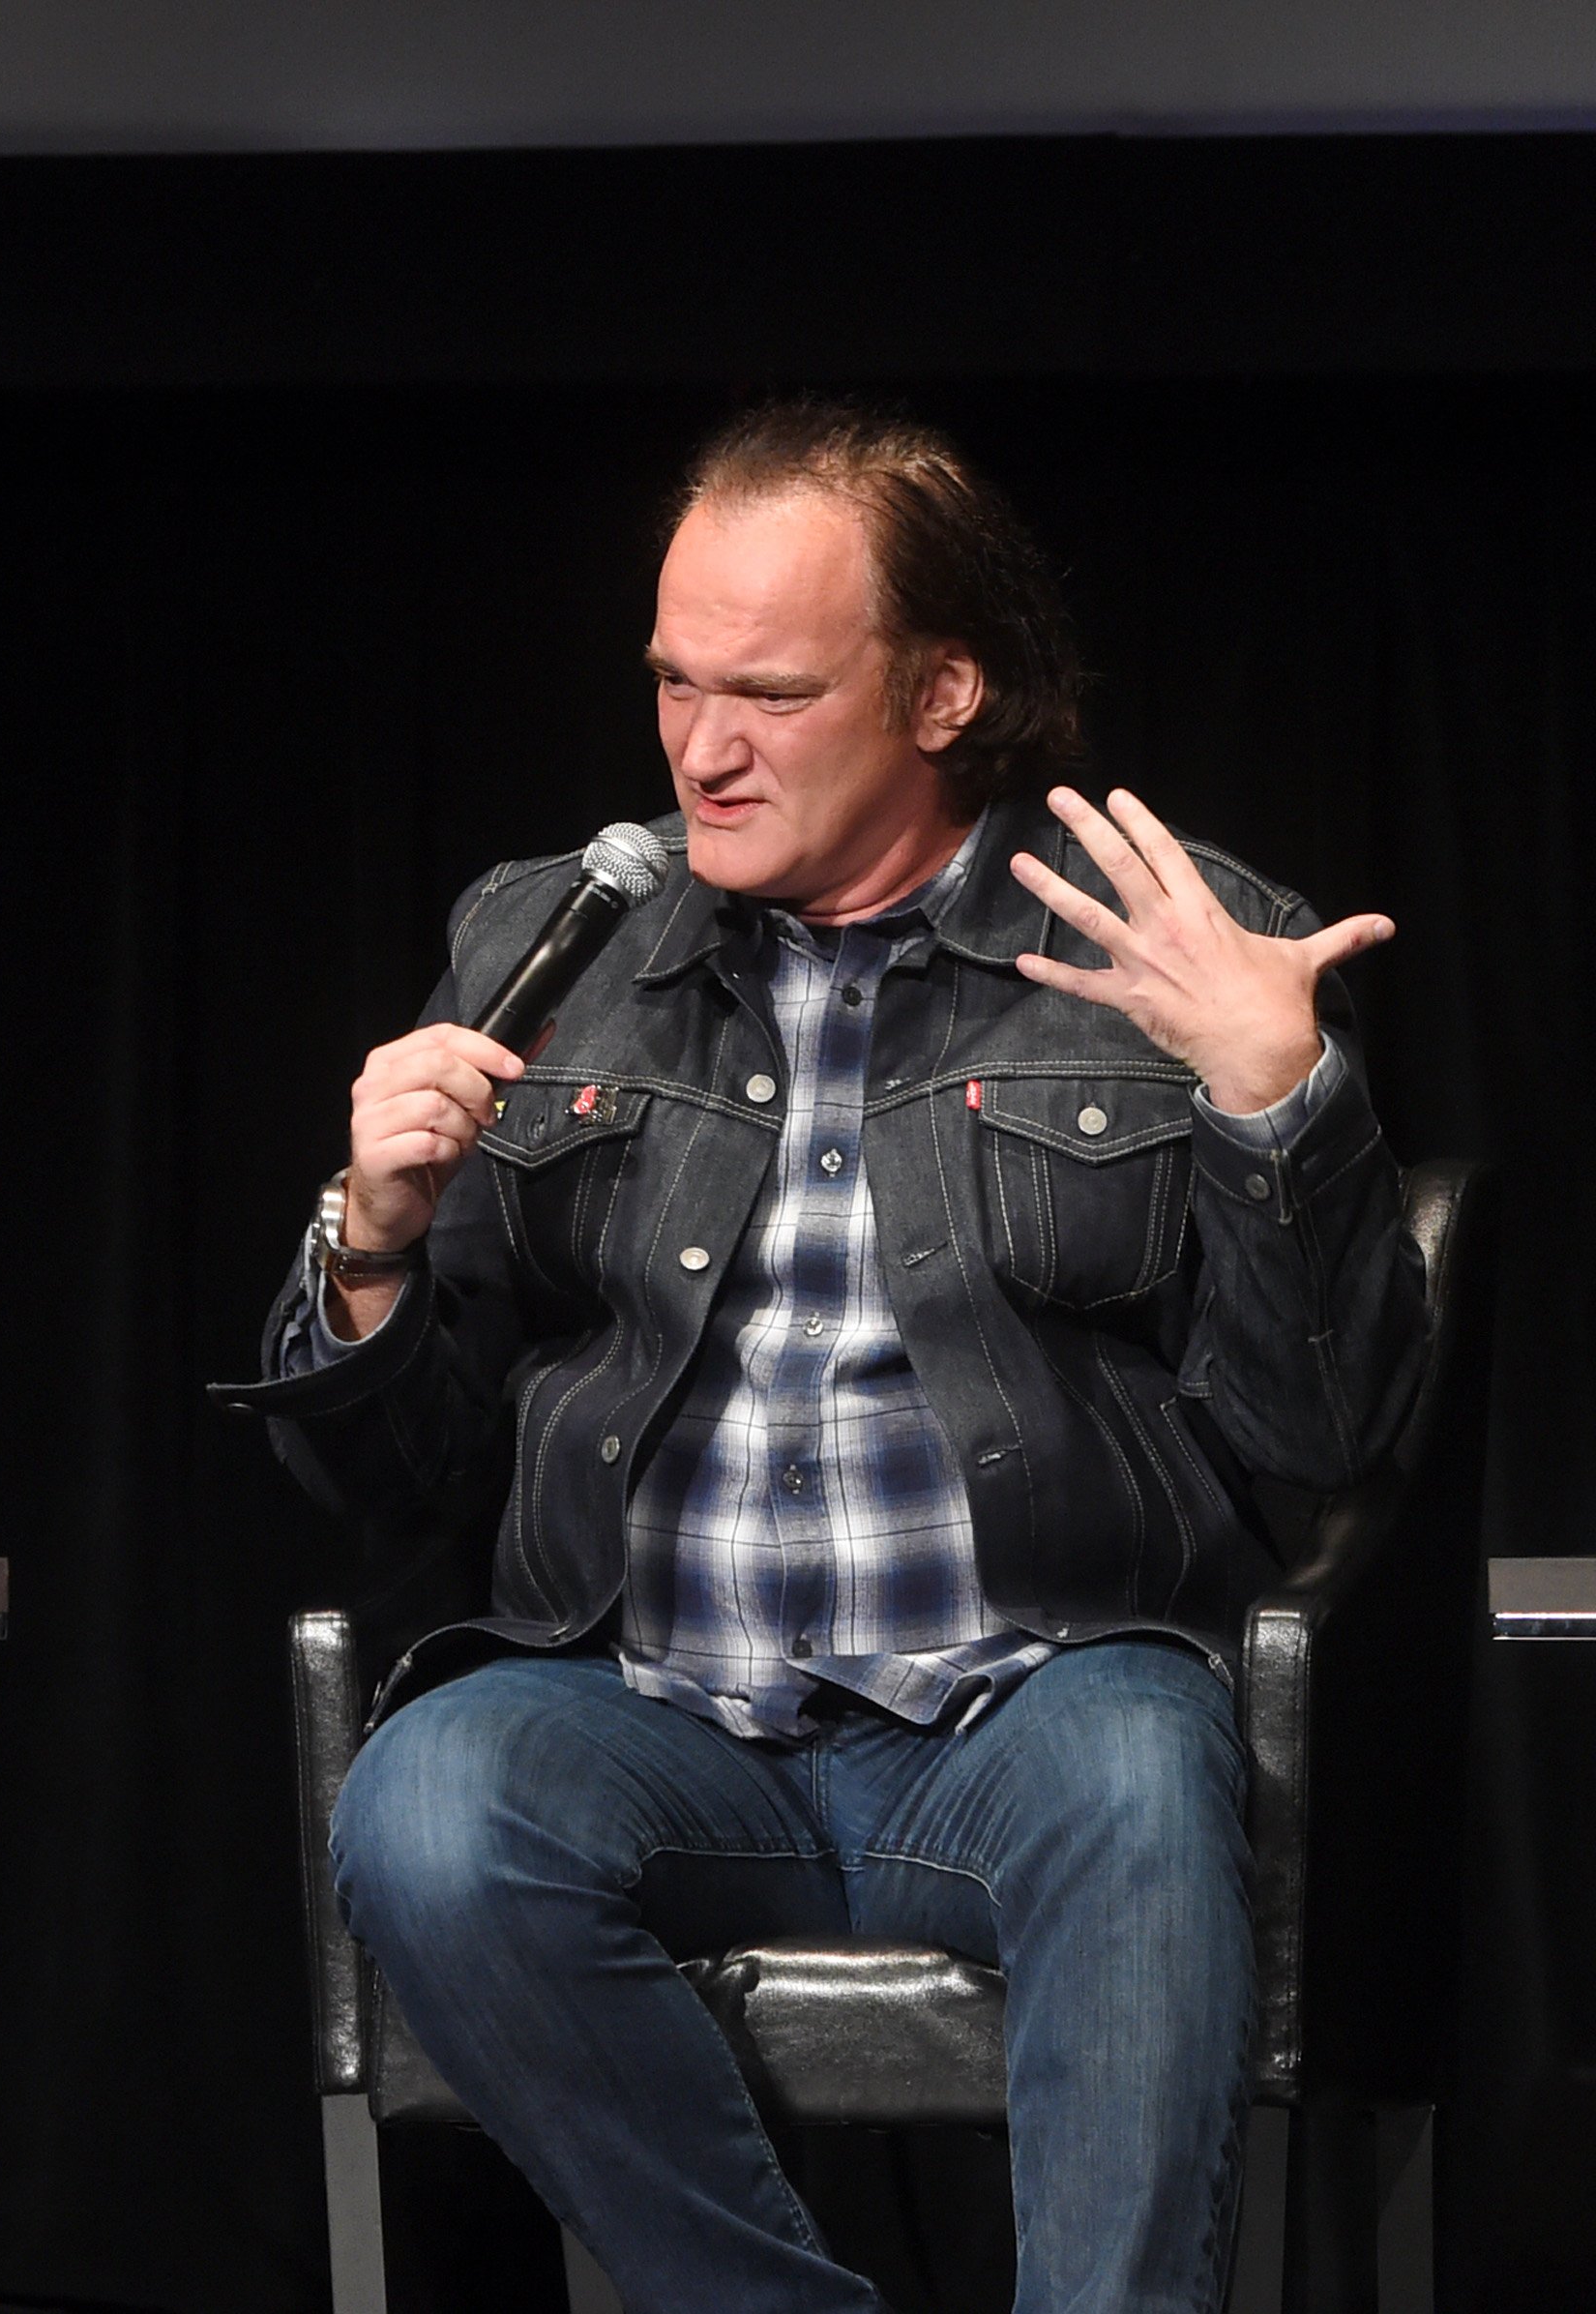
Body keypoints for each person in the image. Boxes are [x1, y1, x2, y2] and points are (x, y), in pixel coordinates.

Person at [233, 401, 1429, 2312]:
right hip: (650, 1715)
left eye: (771, 692)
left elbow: (1327, 1438)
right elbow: (407, 1488)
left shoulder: (1164, 939)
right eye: (675, 683)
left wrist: (1278, 1102)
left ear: (946, 689)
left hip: (1027, 1704)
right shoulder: (550, 944)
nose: (703, 749)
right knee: (428, 1798)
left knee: (1142, 1764)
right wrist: (366, 1245)